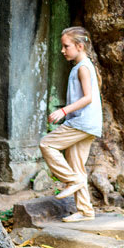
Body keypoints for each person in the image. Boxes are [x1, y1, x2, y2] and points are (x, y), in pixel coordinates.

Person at [40, 26, 104, 222]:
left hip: (81, 122)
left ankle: (72, 180)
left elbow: (88, 98)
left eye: (66, 46)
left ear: (79, 46)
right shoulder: (82, 66)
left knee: (47, 144)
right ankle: (85, 211)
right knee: (77, 165)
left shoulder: (84, 67)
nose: (62, 50)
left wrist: (63, 110)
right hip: (89, 124)